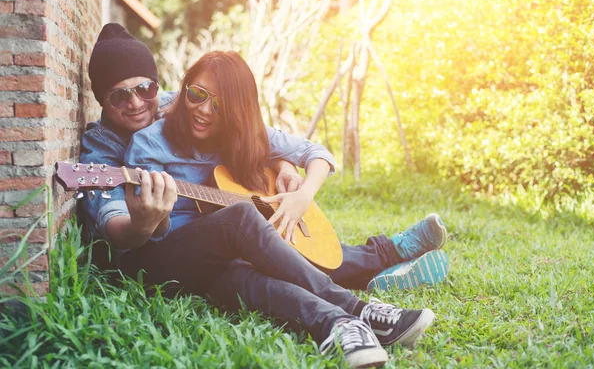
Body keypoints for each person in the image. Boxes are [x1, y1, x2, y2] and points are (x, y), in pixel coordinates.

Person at [78, 25, 441, 367]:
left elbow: (251, 130)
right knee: (244, 222)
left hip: (212, 247)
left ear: (158, 87)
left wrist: (282, 164)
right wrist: (144, 223)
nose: (137, 103)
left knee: (252, 269)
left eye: (145, 89)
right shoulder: (112, 149)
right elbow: (120, 229)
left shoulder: (183, 104)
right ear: (100, 99)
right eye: (118, 95)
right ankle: (359, 303)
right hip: (152, 256)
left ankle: (340, 325)